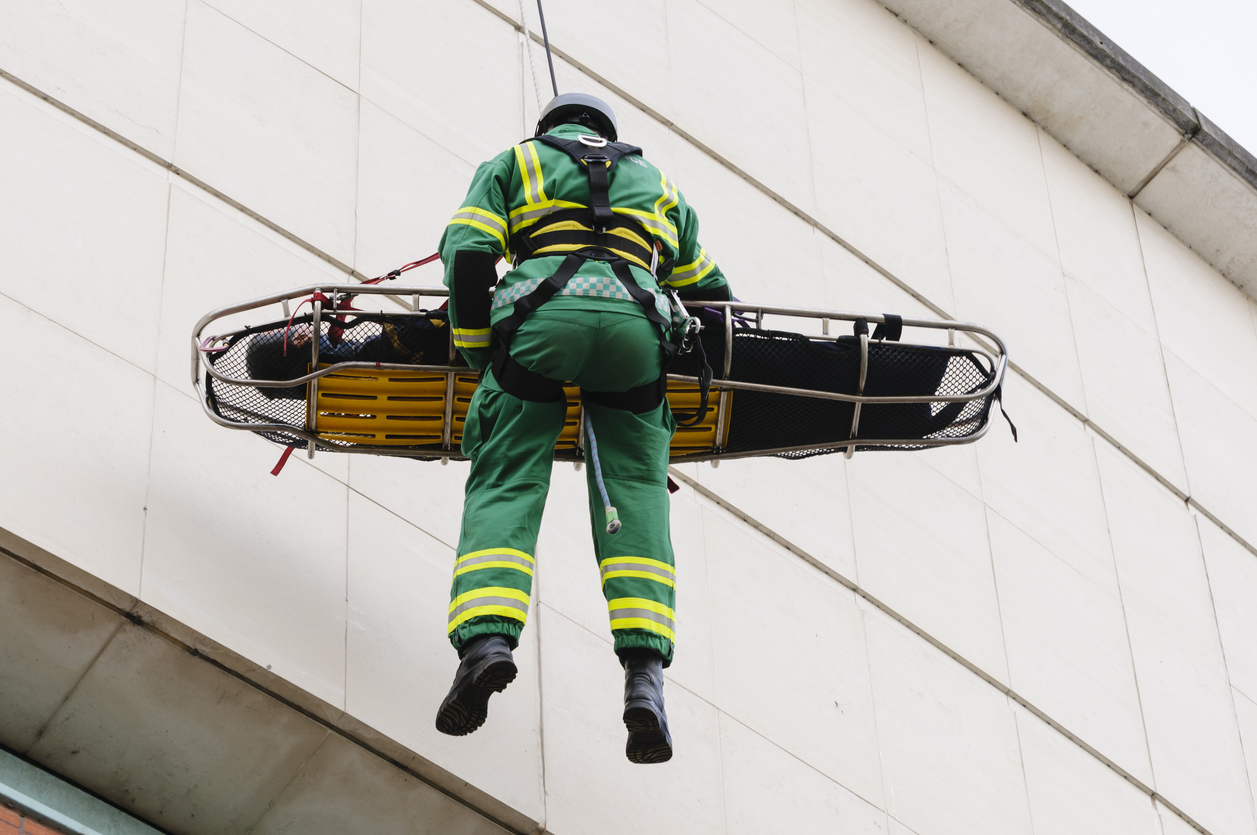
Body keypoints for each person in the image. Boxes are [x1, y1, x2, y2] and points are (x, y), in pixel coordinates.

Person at [433, 93, 731, 764]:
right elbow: (712, 294)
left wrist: (484, 355)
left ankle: (486, 644)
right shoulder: (660, 185)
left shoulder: (515, 163)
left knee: (506, 481)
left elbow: (470, 252)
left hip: (541, 325)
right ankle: (643, 678)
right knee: (635, 494)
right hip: (637, 337)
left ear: (549, 127)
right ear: (607, 133)